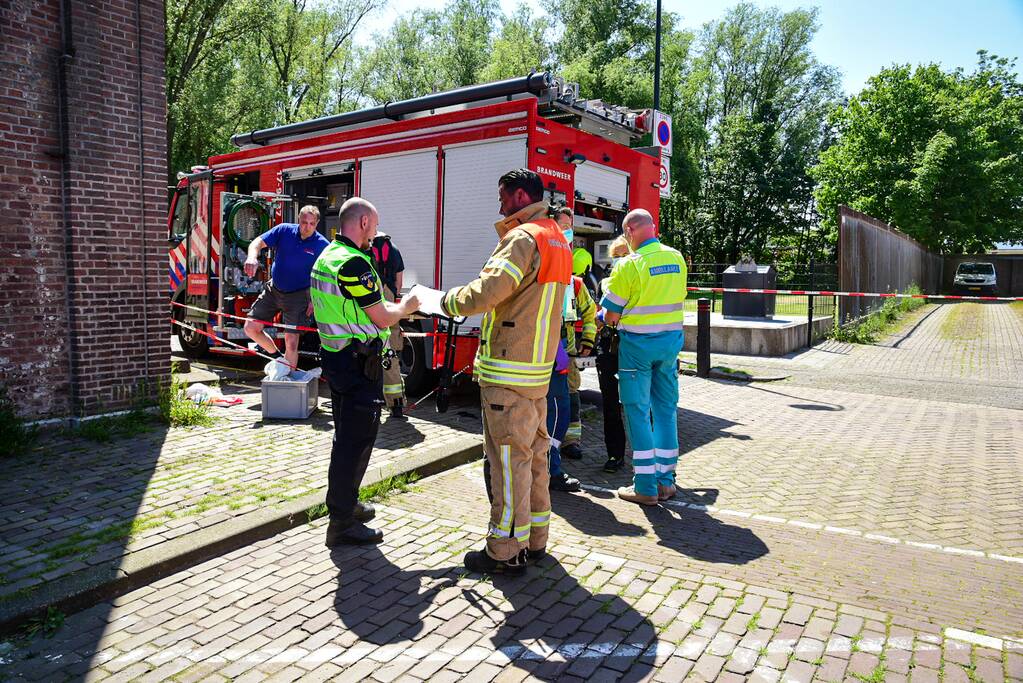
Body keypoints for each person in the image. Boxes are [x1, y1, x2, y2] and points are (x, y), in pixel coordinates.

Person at [440, 169, 572, 574]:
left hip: (507, 372)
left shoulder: (522, 238)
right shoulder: (557, 239)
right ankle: (537, 540)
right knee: (534, 458)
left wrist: (443, 302)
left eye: (501, 197)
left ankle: (503, 551)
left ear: (518, 196)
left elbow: (486, 293)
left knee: (507, 463)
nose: (499, 206)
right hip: (536, 373)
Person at [312, 198, 420, 546]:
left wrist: (394, 308)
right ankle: (342, 522)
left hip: (339, 358)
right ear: (361, 223)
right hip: (358, 365)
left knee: (345, 438)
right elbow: (383, 318)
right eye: (374, 224)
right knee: (355, 442)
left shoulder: (328, 256)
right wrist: (409, 306)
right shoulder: (354, 264)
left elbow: (365, 307)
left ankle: (346, 503)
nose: (376, 231)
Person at [600, 209, 688, 505]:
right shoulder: (676, 258)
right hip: (670, 346)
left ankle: (646, 486)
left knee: (638, 412)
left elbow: (611, 316)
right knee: (665, 411)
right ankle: (667, 481)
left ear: (630, 232)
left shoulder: (628, 265)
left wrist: (601, 313)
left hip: (637, 348)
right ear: (652, 228)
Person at [244, 205, 329, 370]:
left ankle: (287, 381)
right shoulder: (284, 230)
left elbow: (325, 277)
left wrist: (314, 299)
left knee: (291, 341)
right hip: (273, 290)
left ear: (317, 223)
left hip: (298, 296)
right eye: (304, 222)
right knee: (250, 327)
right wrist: (252, 257)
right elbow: (257, 242)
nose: (307, 227)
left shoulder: (322, 245)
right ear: (299, 220)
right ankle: (278, 358)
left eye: (312, 224)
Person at [553, 208, 598, 463]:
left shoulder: (575, 284)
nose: (567, 231)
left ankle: (571, 441)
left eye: (570, 226)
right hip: (544, 349)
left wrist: (588, 342)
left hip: (565, 352)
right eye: (563, 225)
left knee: (570, 397)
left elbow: (590, 314)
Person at [595, 236, 631, 472]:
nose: (618, 261)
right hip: (608, 348)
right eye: (615, 256)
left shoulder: (638, 280)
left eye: (623, 255)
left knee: (638, 404)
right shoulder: (605, 283)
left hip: (632, 347)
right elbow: (601, 316)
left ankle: (645, 457)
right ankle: (614, 455)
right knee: (610, 404)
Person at [368, 232, 408, 418]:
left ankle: (371, 400)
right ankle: (396, 403)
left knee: (368, 353)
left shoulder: (366, 250)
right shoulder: (394, 250)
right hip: (389, 299)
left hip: (370, 301)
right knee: (390, 354)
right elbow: (399, 283)